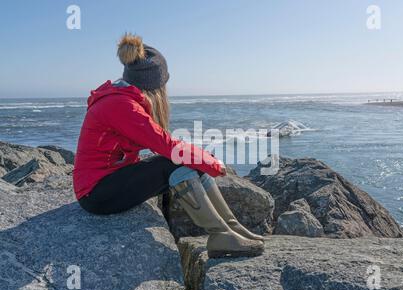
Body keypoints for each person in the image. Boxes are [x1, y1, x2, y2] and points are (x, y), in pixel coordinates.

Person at [73, 34, 264, 258]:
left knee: (186, 162)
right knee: (174, 163)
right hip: (95, 194)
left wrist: (201, 160)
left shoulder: (123, 98)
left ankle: (231, 228)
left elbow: (162, 145)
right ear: (155, 84)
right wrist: (210, 162)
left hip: (109, 182)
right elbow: (167, 146)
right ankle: (220, 234)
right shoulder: (121, 105)